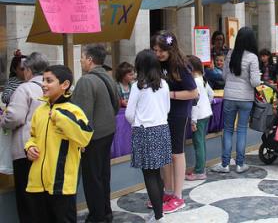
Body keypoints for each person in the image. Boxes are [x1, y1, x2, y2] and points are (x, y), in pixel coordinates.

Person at [25, 65, 93, 223]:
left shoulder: (74, 110)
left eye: (49, 80)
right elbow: (33, 136)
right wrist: (30, 147)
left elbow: (85, 136)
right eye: (43, 80)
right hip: (38, 183)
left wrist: (59, 116)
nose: (43, 84)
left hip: (61, 184)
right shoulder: (39, 111)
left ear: (65, 85)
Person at [72, 44, 119, 223]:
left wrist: (81, 141)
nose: (81, 60)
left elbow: (82, 115)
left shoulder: (86, 80)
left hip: (93, 137)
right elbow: (116, 105)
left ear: (90, 59)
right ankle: (106, 212)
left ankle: (97, 216)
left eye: (82, 57)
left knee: (93, 179)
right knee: (103, 175)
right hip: (107, 132)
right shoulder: (108, 77)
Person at [151, 31, 198, 213]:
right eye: (155, 50)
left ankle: (178, 196)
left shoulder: (180, 65)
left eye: (162, 50)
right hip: (163, 114)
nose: (158, 53)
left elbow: (193, 92)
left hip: (178, 114)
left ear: (171, 48)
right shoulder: (157, 65)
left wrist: (168, 95)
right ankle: (168, 191)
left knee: (177, 154)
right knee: (165, 154)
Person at [0, 52, 48, 223]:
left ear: (28, 70)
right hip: (46, 149)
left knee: (27, 197)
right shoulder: (50, 86)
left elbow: (14, 117)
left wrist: (3, 119)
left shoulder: (25, 88)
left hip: (25, 149)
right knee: (42, 196)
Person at [125, 50, 172, 223]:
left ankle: (158, 215)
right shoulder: (164, 85)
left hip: (144, 131)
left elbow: (129, 114)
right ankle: (159, 212)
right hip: (161, 129)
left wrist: (138, 122)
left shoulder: (138, 86)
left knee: (149, 175)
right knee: (157, 173)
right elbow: (167, 109)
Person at [212, 27, 260, 174]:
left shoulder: (230, 54)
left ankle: (225, 164)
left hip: (229, 97)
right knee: (241, 130)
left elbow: (224, 76)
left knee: (227, 130)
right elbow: (255, 82)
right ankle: (240, 164)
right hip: (246, 99)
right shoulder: (252, 57)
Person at [186, 55, 214, 181]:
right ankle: (200, 167)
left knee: (198, 144)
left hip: (199, 116)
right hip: (206, 113)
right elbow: (211, 94)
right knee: (201, 142)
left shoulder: (194, 81)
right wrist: (206, 104)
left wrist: (193, 120)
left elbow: (194, 103)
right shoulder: (202, 79)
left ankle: (199, 171)